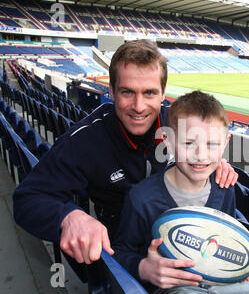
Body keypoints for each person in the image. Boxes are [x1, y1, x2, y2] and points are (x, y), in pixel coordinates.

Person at [13, 39, 237, 265]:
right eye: (127, 92)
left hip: (189, 249)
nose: (139, 106)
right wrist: (68, 216)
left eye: (149, 93)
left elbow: (209, 143)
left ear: (163, 93)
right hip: (121, 260)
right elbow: (27, 199)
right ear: (110, 91)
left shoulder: (180, 122)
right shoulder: (85, 141)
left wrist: (212, 164)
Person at [112, 90, 249, 294]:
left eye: (211, 144)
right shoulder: (141, 198)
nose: (200, 155)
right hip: (176, 285)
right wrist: (144, 268)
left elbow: (225, 236)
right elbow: (119, 254)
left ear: (225, 143)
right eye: (188, 143)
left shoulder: (224, 187)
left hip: (226, 279)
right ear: (167, 140)